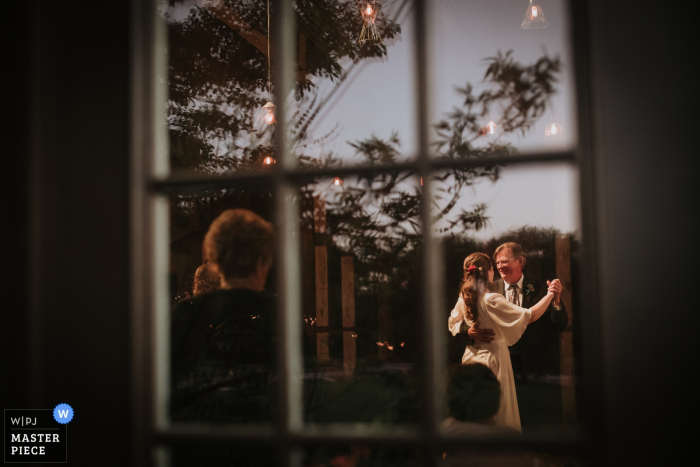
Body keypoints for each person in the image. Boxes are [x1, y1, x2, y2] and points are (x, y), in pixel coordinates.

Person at [170, 208, 276, 426]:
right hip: (260, 435)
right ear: (261, 261)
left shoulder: (185, 314)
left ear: (213, 257)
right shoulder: (277, 313)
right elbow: (306, 387)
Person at [447, 252, 560, 432]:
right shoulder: (490, 299)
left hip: (471, 358)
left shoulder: (465, 296)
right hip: (494, 360)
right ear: (488, 272)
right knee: (498, 409)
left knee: (473, 406)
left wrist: (467, 329)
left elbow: (451, 321)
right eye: (494, 266)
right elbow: (528, 316)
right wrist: (550, 294)